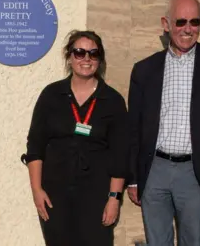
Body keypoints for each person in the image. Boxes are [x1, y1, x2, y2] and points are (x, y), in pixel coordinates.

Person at [127, 0, 200, 246]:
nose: (188, 29)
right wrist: (133, 177)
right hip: (155, 170)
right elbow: (134, 127)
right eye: (181, 21)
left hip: (196, 172)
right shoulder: (144, 70)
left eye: (195, 22)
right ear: (166, 24)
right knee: (157, 241)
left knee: (195, 241)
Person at [21, 30, 129, 245]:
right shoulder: (51, 95)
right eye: (79, 52)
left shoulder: (112, 100)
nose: (86, 59)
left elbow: (120, 155)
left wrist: (114, 198)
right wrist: (37, 190)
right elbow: (35, 146)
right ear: (69, 57)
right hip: (55, 196)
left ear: (100, 59)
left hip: (96, 197)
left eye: (93, 53)